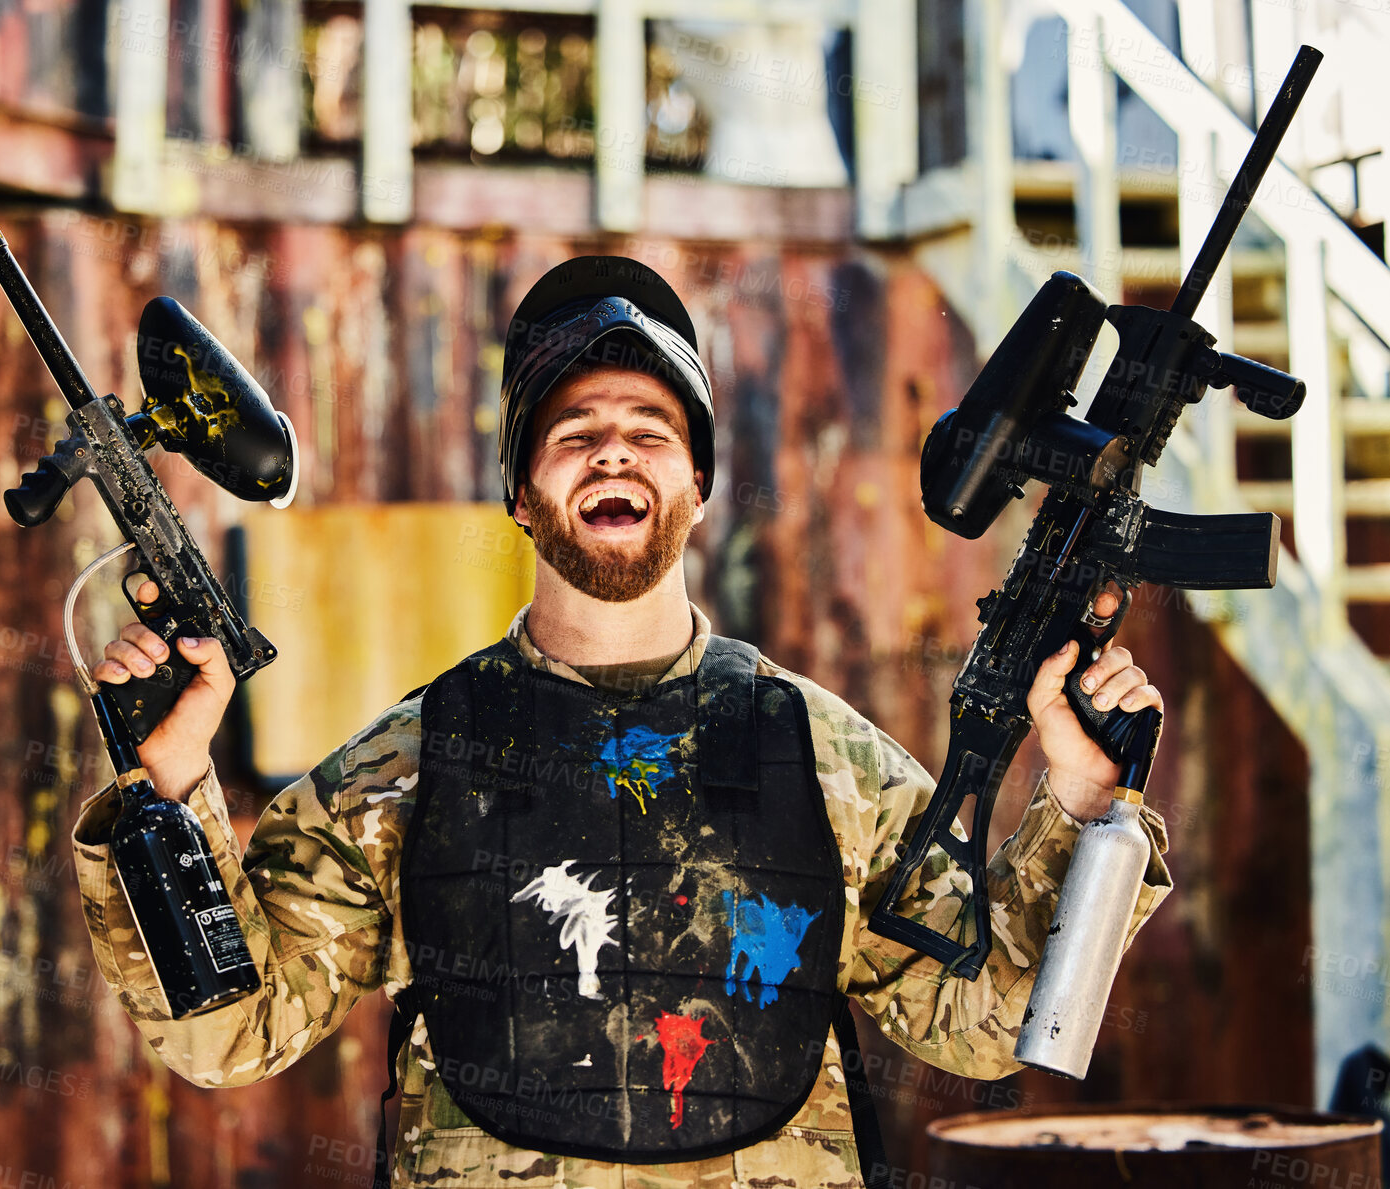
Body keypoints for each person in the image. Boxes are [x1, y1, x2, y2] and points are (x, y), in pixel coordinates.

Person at [71, 256, 1172, 1189]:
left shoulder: (820, 754)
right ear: (520, 494)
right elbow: (232, 1031)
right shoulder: (410, 763)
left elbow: (974, 1023)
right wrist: (168, 793)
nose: (611, 450)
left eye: (649, 430)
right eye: (573, 432)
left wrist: (1076, 801)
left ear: (696, 483)